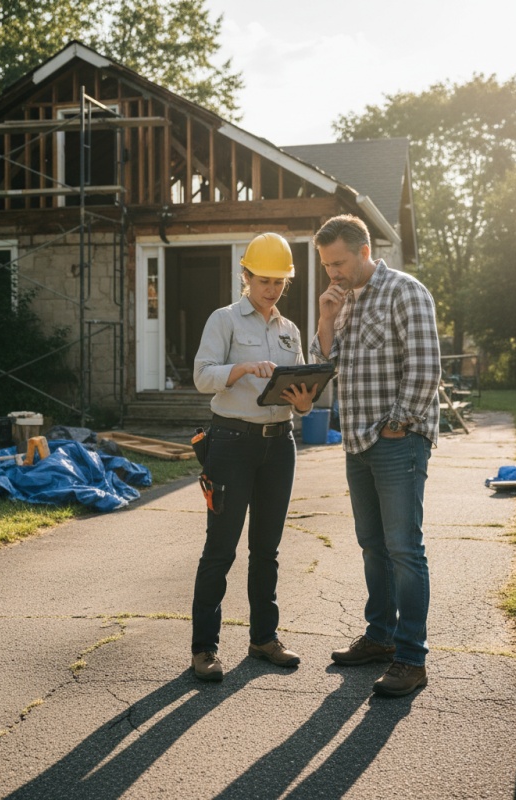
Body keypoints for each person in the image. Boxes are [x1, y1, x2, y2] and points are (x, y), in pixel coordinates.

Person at [310, 214, 441, 697]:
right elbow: (322, 364)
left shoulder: (405, 291)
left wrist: (397, 423)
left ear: (365, 251)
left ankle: (411, 659)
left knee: (404, 548)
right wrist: (326, 318)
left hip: (396, 441)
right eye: (326, 265)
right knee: (372, 545)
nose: (333, 273)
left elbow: (426, 367)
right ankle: (381, 637)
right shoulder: (341, 300)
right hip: (356, 443)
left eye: (339, 263)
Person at [190, 232, 317, 682]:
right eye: (264, 280)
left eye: (280, 281)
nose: (272, 289)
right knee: (220, 549)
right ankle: (204, 649)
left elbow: (301, 392)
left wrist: (305, 402)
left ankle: (264, 638)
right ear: (245, 276)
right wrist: (241, 368)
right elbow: (202, 377)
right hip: (231, 443)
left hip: (279, 445)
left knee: (267, 550)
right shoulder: (223, 320)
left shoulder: (289, 330)